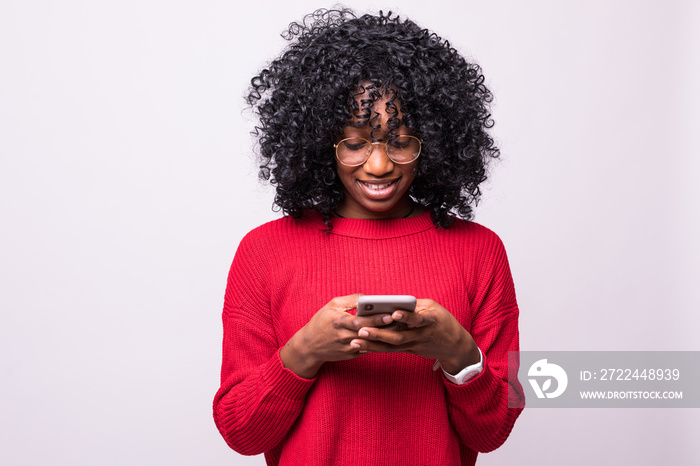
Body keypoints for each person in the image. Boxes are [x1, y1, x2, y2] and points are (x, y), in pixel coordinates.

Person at [213, 8, 524, 466]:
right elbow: (240, 430)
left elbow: (494, 431)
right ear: (322, 142)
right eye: (355, 143)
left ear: (433, 140)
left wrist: (459, 354)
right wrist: (306, 351)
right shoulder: (264, 252)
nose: (378, 166)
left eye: (399, 142)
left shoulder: (479, 251)